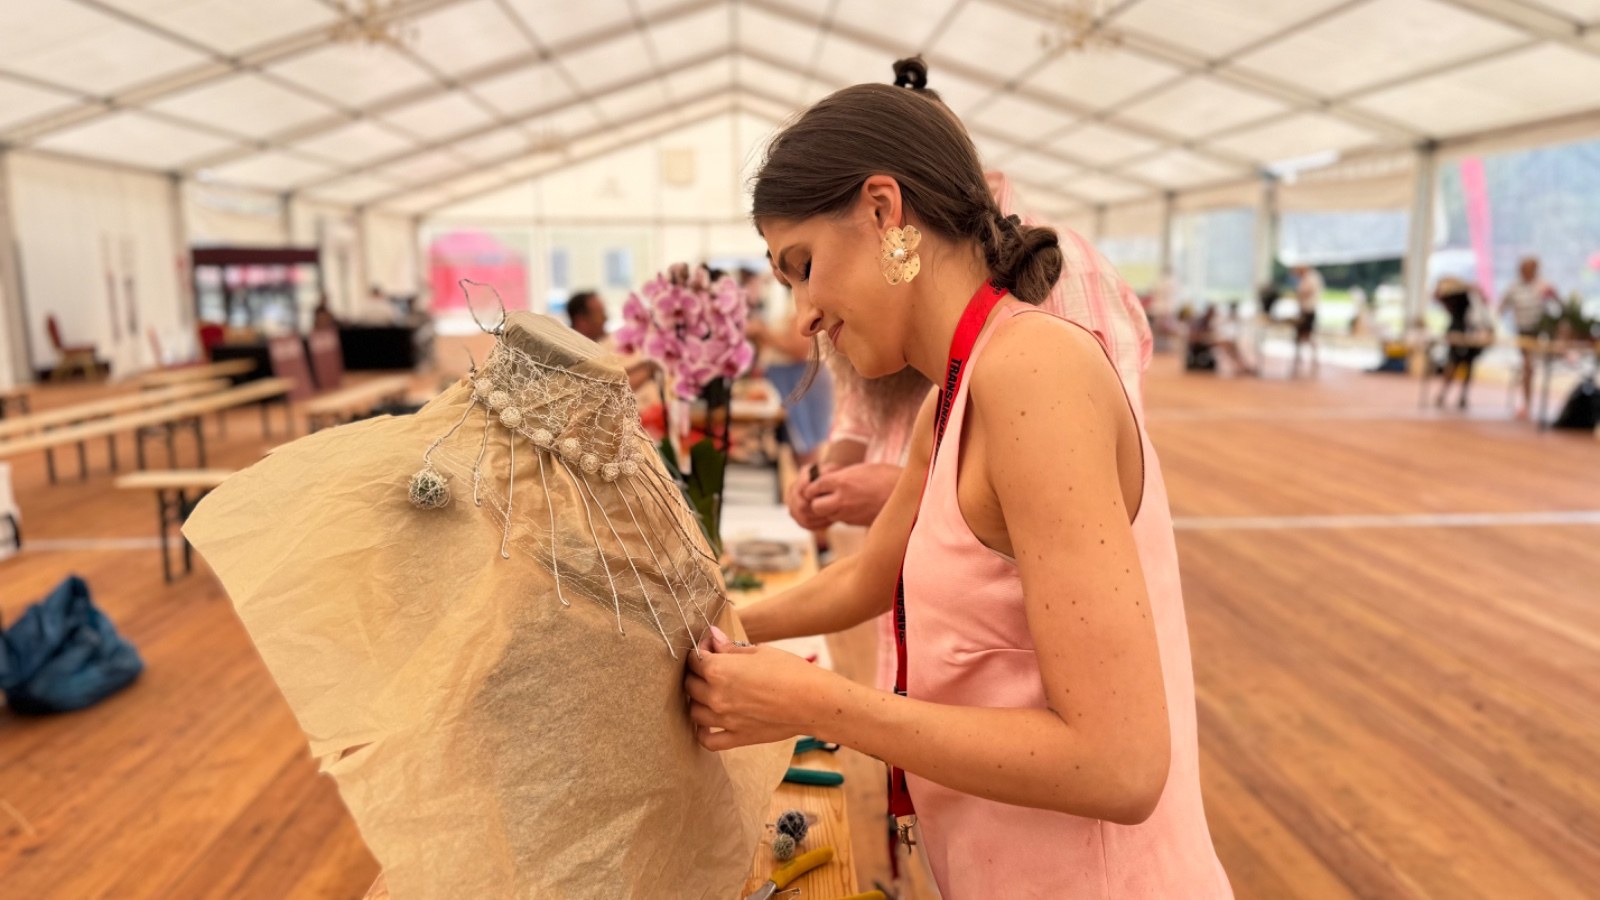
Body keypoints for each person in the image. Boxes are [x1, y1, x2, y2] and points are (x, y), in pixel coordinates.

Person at [683, 77, 1230, 898]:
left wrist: (819, 704)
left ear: (883, 211)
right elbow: (870, 581)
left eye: (804, 267)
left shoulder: (1033, 371)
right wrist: (712, 629)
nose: (802, 315)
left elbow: (1120, 765)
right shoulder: (955, 393)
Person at [1500, 256, 1557, 419]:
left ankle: (1530, 403)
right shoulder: (1513, 287)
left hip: (1541, 332)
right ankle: (1527, 403)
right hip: (1523, 332)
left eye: (1529, 269)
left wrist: (1552, 296)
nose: (1525, 272)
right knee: (1528, 366)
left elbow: (1556, 308)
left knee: (1531, 367)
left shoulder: (1544, 285)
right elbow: (1502, 307)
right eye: (1523, 269)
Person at [566, 289, 657, 392]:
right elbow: (609, 391)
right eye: (600, 314)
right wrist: (650, 368)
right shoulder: (572, 357)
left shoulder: (602, 344)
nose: (606, 318)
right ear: (582, 321)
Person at [1433, 277, 1490, 410]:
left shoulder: (1464, 295)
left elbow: (1484, 303)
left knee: (1464, 364)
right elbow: (1437, 297)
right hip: (1460, 333)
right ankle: (1446, 394)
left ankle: (1459, 396)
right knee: (1454, 363)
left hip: (1468, 333)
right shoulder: (1454, 296)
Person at [1290, 265, 1322, 377]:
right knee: (1300, 336)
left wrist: (1299, 293)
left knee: (1308, 335)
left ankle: (1313, 358)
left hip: (1308, 310)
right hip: (1304, 310)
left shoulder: (1311, 277)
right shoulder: (1306, 278)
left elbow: (1306, 292)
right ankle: (1299, 357)